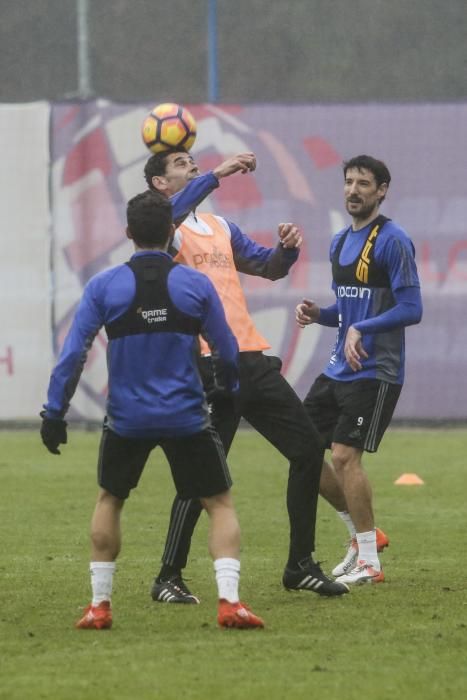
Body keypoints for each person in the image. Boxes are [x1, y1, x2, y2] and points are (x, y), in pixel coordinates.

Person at [39, 190, 264, 630]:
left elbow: (72, 356)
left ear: (128, 234)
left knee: (111, 499)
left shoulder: (104, 286)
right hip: (186, 416)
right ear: (171, 232)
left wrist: (54, 412)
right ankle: (229, 602)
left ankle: (99, 607)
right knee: (219, 503)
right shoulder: (194, 285)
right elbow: (228, 350)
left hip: (126, 418)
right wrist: (228, 388)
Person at [143, 147, 350, 603]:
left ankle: (300, 565)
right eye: (180, 164)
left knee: (307, 449)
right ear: (159, 183)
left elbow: (268, 268)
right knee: (203, 475)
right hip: (208, 364)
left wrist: (288, 250)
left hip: (252, 358)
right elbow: (169, 216)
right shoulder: (167, 228)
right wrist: (219, 172)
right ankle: (168, 577)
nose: (192, 165)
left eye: (193, 161)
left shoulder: (218, 226)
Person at [296, 154, 423, 585]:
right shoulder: (338, 242)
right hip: (337, 369)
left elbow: (412, 308)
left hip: (375, 371)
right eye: (349, 182)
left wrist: (362, 328)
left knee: (345, 456)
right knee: (302, 451)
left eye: (364, 184)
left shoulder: (393, 240)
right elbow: (347, 311)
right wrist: (320, 315)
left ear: (382, 190)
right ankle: (362, 537)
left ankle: (370, 562)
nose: (353, 190)